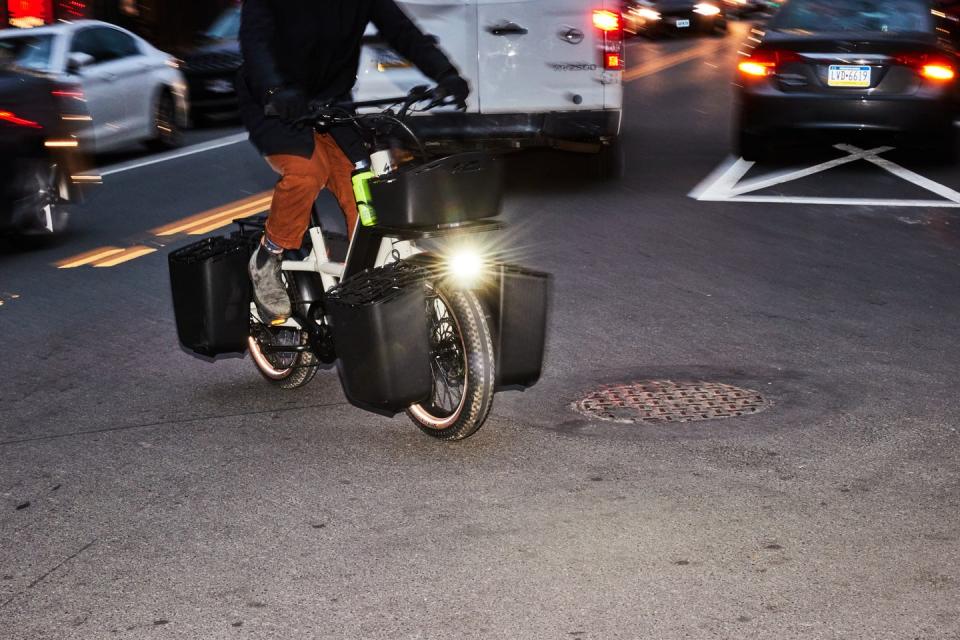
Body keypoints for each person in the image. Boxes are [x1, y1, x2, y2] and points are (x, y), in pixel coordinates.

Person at [238, 0, 469, 324]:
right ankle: (268, 256)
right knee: (307, 172)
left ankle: (368, 284)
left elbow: (402, 32)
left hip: (332, 104)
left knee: (367, 182)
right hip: (275, 105)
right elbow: (255, 43)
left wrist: (445, 73)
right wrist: (276, 89)